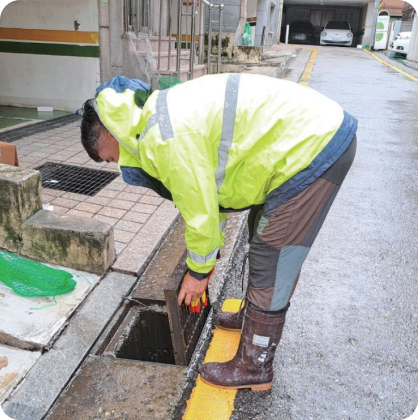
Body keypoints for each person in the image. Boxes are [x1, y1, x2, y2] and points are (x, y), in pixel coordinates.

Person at [80, 74, 357, 391]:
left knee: (273, 255)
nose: (117, 164)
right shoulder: (154, 116)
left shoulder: (163, 139)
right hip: (299, 142)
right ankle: (254, 321)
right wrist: (207, 260)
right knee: (262, 236)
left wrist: (198, 273)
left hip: (313, 149)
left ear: (109, 134)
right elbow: (213, 202)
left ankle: (256, 365)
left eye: (109, 158)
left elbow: (198, 209)